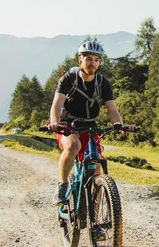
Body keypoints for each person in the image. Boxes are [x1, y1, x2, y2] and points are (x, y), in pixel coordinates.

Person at [47, 41, 137, 205]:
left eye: (96, 60)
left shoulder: (103, 83)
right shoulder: (69, 79)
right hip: (68, 125)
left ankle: (96, 222)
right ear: (80, 59)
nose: (92, 63)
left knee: (96, 168)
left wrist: (119, 124)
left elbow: (112, 110)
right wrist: (54, 122)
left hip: (90, 126)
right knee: (73, 146)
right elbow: (57, 104)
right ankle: (62, 185)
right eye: (89, 59)